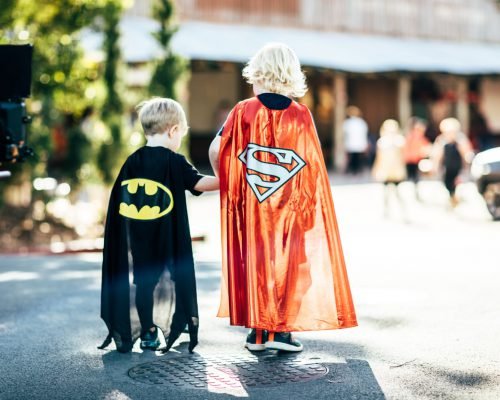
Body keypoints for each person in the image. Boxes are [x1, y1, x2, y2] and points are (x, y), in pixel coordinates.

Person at [209, 43, 357, 353]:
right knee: (292, 265)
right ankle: (282, 332)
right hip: (290, 207)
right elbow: (311, 163)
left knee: (258, 264)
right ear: (290, 74)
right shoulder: (301, 115)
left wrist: (229, 181)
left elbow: (215, 149)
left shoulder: (242, 110)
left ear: (258, 72)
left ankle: (258, 332)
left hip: (253, 206)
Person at [99, 98, 219, 353]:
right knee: (180, 276)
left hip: (141, 239)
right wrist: (227, 180)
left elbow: (120, 201)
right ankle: (181, 321)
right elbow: (198, 183)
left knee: (144, 283)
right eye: (180, 135)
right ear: (173, 130)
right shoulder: (174, 161)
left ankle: (147, 332)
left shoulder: (132, 161)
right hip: (169, 238)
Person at [432, 118, 473, 207]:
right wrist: (435, 166)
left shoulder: (460, 140)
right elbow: (437, 154)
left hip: (458, 167)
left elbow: (466, 153)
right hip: (447, 168)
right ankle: (453, 199)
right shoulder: (441, 140)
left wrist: (467, 163)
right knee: (448, 185)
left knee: (458, 184)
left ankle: (456, 199)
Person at [372, 119, 407, 215]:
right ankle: (386, 211)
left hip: (396, 171)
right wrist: (375, 170)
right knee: (385, 192)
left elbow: (402, 157)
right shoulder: (382, 142)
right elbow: (379, 158)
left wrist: (403, 170)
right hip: (386, 170)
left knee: (398, 192)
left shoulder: (399, 141)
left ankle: (402, 210)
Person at [403, 117, 431, 199]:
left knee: (414, 177)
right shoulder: (412, 136)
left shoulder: (416, 136)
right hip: (411, 159)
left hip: (415, 159)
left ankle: (414, 190)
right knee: (412, 176)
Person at [343, 106, 369, 174]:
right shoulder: (361, 122)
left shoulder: (347, 123)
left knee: (352, 158)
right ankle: (357, 170)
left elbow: (345, 134)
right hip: (359, 144)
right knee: (358, 159)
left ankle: (353, 171)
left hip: (351, 144)